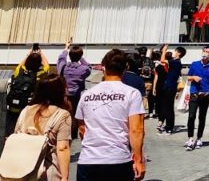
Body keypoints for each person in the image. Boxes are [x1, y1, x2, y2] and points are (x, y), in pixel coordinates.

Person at [75, 49, 146, 181]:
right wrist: (139, 160)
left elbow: (82, 128)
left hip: (88, 160)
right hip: (117, 159)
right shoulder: (131, 93)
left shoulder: (87, 94)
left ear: (103, 68)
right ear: (126, 68)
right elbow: (136, 130)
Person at [10, 73, 72, 181]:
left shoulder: (26, 110)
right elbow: (62, 148)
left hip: (22, 168)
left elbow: (16, 136)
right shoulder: (62, 115)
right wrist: (65, 177)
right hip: (47, 170)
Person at [6, 48, 50, 137]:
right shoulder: (39, 74)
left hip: (13, 107)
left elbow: (21, 64)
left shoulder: (19, 71)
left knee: (11, 128)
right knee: (24, 129)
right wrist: (41, 54)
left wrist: (28, 54)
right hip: (27, 107)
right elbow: (47, 66)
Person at [184, 46, 209, 151]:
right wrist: (194, 77)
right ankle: (190, 138)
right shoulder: (194, 64)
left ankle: (199, 138)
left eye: (207, 52)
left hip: (205, 95)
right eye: (203, 51)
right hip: (194, 94)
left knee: (202, 117)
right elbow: (188, 77)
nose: (204, 53)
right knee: (191, 116)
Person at [57, 40, 91, 139]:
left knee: (65, 114)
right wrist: (81, 57)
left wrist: (66, 49)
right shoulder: (83, 69)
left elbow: (61, 59)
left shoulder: (63, 68)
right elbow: (89, 67)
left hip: (65, 94)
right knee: (75, 115)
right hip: (77, 95)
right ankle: (73, 135)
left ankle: (63, 133)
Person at [158, 46, 185, 135]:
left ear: (179, 53)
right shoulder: (175, 62)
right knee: (166, 107)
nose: (173, 52)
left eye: (175, 51)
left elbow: (162, 60)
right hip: (168, 86)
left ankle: (169, 128)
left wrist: (164, 50)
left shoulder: (176, 62)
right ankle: (168, 126)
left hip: (170, 87)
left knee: (168, 108)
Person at [152, 47, 169, 132]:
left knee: (159, 104)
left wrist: (154, 88)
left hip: (158, 86)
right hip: (165, 87)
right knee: (163, 105)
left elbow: (156, 77)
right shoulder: (167, 67)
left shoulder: (158, 67)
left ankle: (160, 121)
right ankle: (160, 122)